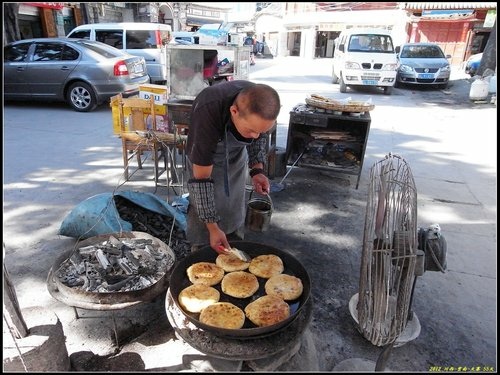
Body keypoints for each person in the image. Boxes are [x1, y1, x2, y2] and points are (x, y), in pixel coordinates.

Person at [186, 81, 281, 254]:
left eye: (261, 130)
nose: (255, 135)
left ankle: (235, 239)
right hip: (207, 163)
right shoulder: (207, 112)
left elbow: (258, 138)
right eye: (251, 130)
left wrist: (257, 170)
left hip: (236, 157)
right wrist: (213, 228)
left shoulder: (260, 101)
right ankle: (202, 247)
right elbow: (201, 181)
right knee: (204, 219)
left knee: (234, 205)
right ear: (234, 112)